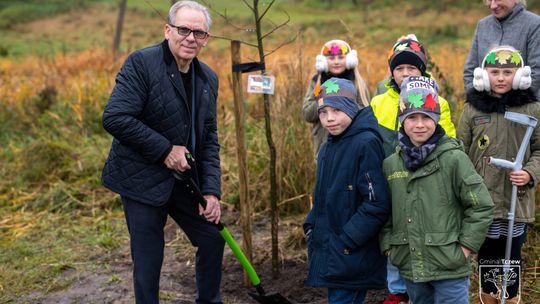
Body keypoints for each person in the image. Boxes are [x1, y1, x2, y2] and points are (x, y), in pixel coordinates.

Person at [101, 1, 224, 303]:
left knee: (212, 239)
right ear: (168, 29)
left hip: (184, 180)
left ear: (206, 38)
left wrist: (211, 191)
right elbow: (115, 117)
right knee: (148, 261)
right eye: (183, 30)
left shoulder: (208, 78)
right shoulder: (142, 63)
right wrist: (165, 149)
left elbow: (208, 138)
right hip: (141, 177)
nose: (190, 38)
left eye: (199, 33)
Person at [380, 75, 494, 304]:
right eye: (412, 117)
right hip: (411, 264)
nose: (419, 124)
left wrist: (464, 248)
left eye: (426, 117)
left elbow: (481, 206)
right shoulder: (391, 164)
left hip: (449, 267)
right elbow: (386, 213)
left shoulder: (454, 159)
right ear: (402, 120)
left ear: (437, 119)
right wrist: (389, 248)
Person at [370, 37, 456, 304]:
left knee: (421, 232)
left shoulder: (437, 102)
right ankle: (397, 291)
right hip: (392, 180)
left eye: (411, 68)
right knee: (397, 233)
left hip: (426, 181)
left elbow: (448, 140)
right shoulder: (379, 102)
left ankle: (427, 283)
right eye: (399, 68)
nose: (405, 73)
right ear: (391, 72)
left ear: (422, 70)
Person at [457, 45, 540, 304]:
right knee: (489, 255)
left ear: (520, 75)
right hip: (482, 201)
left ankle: (510, 297)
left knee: (511, 254)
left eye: (507, 71)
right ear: (483, 75)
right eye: (495, 72)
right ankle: (489, 298)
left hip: (516, 197)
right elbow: (458, 151)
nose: (501, 78)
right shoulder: (472, 110)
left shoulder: (532, 109)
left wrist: (529, 173)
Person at [303, 78, 391, 304]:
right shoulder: (327, 148)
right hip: (332, 249)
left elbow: (377, 202)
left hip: (351, 251)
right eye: (323, 112)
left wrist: (347, 239)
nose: (329, 118)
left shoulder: (366, 143)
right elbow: (323, 195)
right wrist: (311, 226)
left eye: (337, 110)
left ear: (351, 107)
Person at [302, 39, 371, 158]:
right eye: (331, 58)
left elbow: (365, 113)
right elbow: (307, 114)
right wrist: (323, 96)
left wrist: (343, 103)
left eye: (341, 57)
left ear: (350, 60)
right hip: (323, 147)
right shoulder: (316, 82)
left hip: (352, 145)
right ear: (323, 61)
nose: (336, 62)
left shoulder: (358, 82)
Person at [463, 0, 540, 98]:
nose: (492, 5)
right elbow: (470, 71)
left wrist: (515, 105)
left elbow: (537, 72)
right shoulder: (483, 25)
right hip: (485, 111)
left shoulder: (535, 24)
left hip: (524, 109)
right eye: (489, 0)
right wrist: (477, 101)